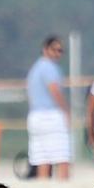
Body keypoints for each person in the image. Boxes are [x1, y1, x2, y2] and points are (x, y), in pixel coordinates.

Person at [26, 35, 70, 180]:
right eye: (55, 50)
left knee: (42, 157)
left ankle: (43, 185)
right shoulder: (49, 67)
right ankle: (63, 185)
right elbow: (54, 90)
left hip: (35, 116)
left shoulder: (35, 68)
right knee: (62, 154)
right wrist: (66, 110)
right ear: (45, 50)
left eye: (60, 50)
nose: (58, 53)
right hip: (51, 115)